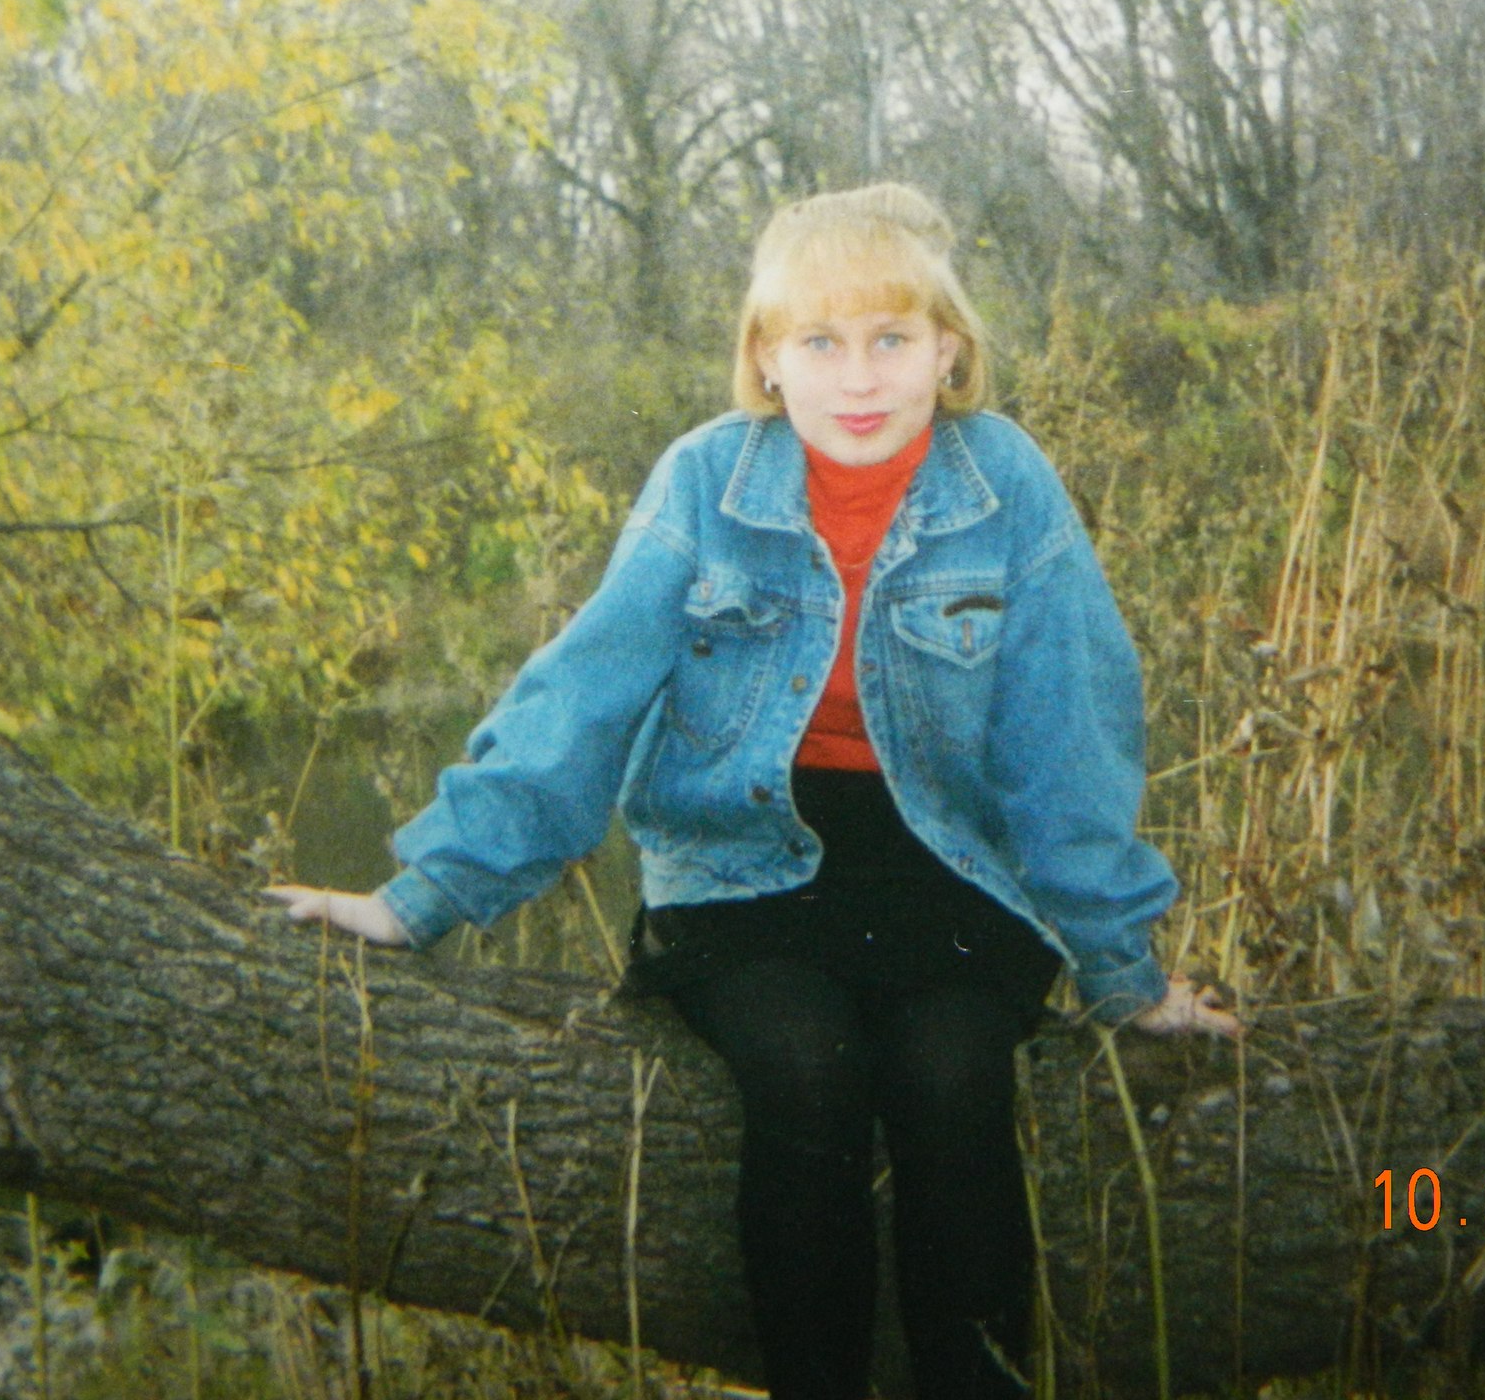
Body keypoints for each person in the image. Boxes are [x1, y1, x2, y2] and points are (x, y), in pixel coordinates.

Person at [267, 182, 1238, 1400]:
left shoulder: (1006, 484)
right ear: (766, 359)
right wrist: (421, 898)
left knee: (954, 1078)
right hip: (739, 868)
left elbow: (1069, 736)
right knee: (805, 1068)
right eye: (819, 342)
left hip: (944, 869)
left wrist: (1120, 971)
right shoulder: (706, 482)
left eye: (891, 339)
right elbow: (582, 695)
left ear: (947, 350)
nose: (859, 378)